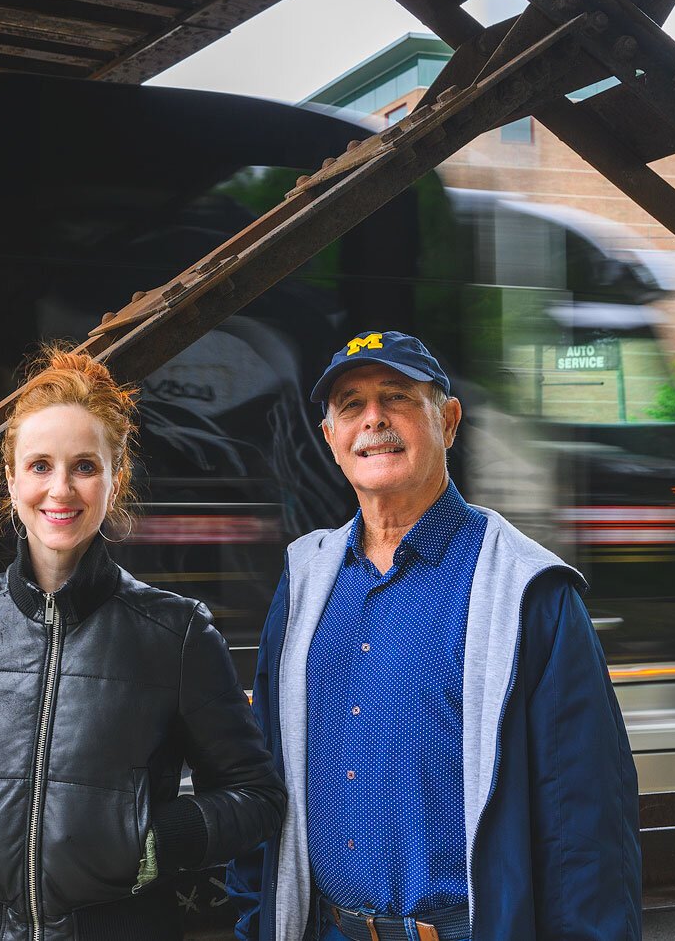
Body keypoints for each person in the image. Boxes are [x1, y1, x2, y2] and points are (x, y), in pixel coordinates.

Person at [0, 348, 286, 941]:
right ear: (10, 480)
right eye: (39, 466)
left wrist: (156, 841)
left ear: (116, 479)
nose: (60, 489)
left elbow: (255, 797)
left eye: (84, 465)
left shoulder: (178, 632)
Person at [227, 331, 640, 941]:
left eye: (396, 397)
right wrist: (256, 924)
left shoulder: (528, 591)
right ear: (331, 440)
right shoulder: (304, 582)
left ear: (447, 421)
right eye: (351, 405)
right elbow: (261, 776)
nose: (373, 419)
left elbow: (584, 823)